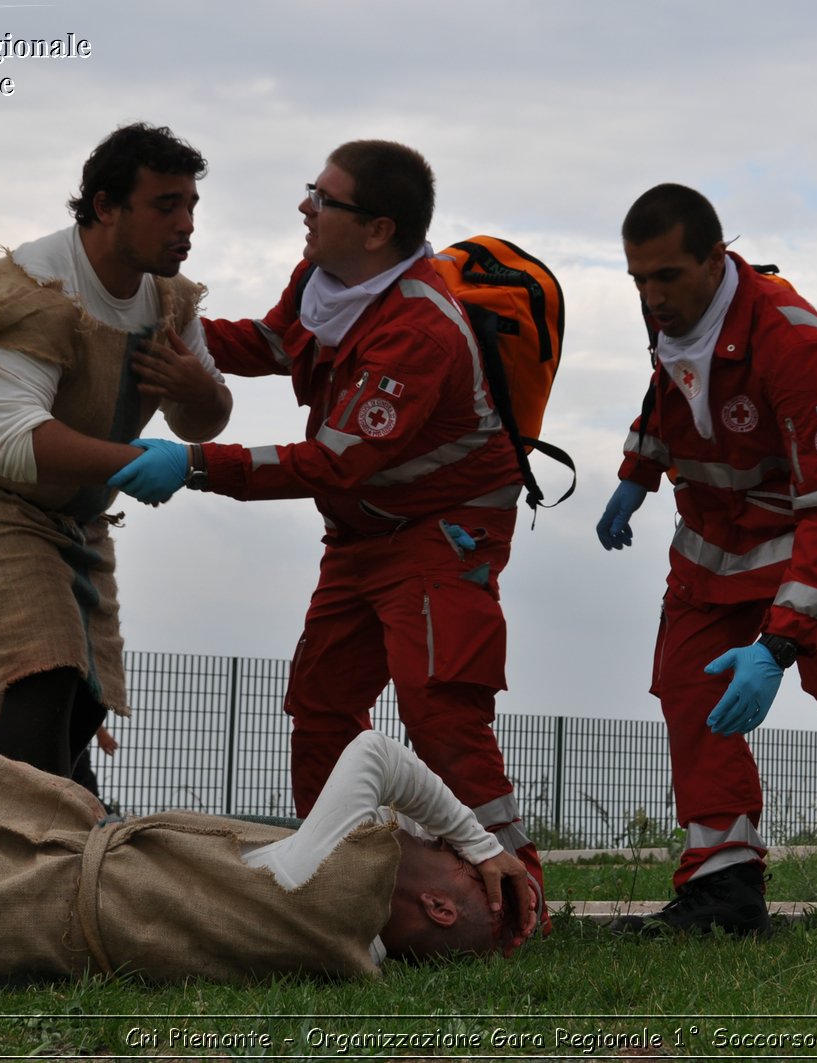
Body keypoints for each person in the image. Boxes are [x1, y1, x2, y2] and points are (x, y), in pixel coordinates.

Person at [108, 140, 544, 902]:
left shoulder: (420, 330)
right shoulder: (325, 280)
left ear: (377, 230)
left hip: (444, 535)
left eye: (323, 197)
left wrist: (197, 463)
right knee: (319, 705)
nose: (304, 207)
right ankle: (333, 884)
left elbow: (337, 459)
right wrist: (173, 332)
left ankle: (514, 891)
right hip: (360, 536)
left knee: (441, 713)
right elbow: (277, 343)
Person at [0, 701, 538, 1000]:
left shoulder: (322, 873)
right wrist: (479, 875)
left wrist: (477, 838)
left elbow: (378, 755)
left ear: (438, 904)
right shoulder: (352, 950)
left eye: (458, 869)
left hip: (41, 879)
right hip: (55, 873)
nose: (426, 838)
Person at [596, 184, 817, 936]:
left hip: (813, 546)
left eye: (666, 277)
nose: (651, 297)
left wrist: (778, 645)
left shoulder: (793, 340)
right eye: (638, 280)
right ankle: (723, 886)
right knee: (689, 691)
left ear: (715, 258)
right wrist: (635, 474)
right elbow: (671, 392)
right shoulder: (674, 316)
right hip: (712, 552)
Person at [0, 123, 232, 778]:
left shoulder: (169, 299)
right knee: (46, 675)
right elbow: (9, 441)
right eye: (167, 205)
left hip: (71, 514)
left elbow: (201, 420)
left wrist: (202, 392)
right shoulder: (34, 291)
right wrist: (130, 462)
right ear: (106, 205)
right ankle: (29, 855)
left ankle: (33, 837)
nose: (186, 224)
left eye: (192, 205)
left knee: (87, 700)